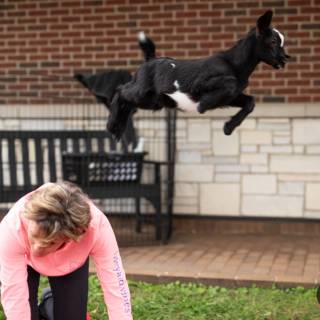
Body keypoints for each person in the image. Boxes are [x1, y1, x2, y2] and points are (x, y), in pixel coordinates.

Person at [0, 181, 132, 320]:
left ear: (70, 237)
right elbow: (14, 295)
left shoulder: (96, 227)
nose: (37, 249)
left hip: (69, 261)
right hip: (24, 261)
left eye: (49, 242)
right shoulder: (11, 229)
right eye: (33, 237)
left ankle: (49, 302)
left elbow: (115, 284)